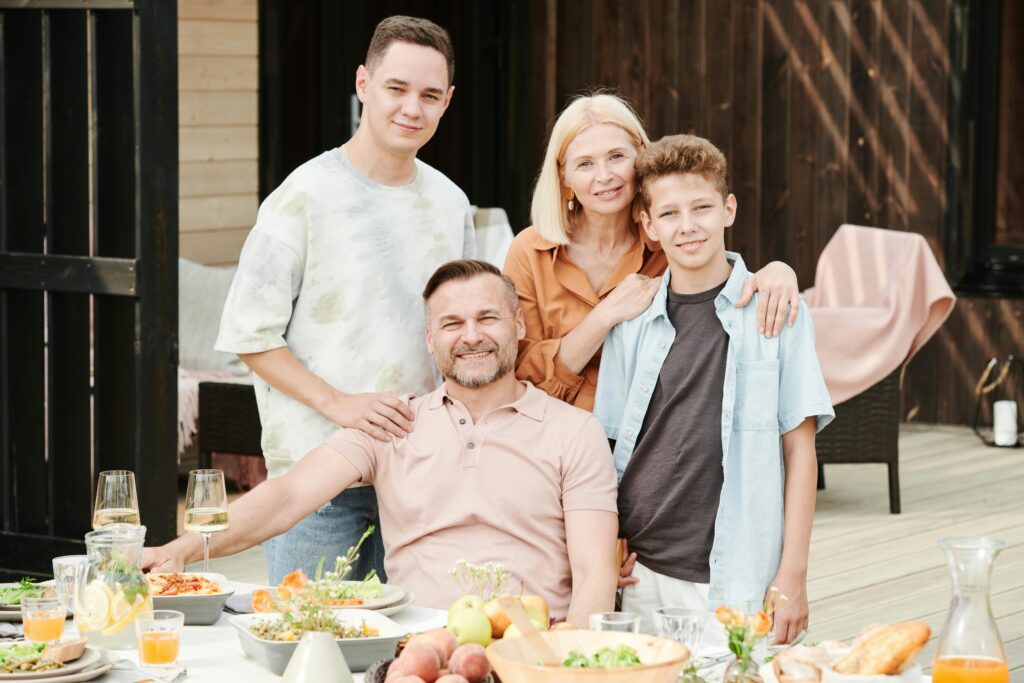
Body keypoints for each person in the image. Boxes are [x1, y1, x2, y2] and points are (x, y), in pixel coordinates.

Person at [147, 260, 620, 626]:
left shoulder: (574, 431)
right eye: (452, 324)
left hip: (529, 648)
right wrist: (184, 549)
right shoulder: (392, 423)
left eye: (488, 318)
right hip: (413, 652)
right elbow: (286, 497)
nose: (472, 336)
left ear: (518, 325)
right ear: (430, 339)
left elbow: (594, 572)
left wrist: (566, 662)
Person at [214, 16, 475, 585]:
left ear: (448, 101)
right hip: (314, 482)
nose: (412, 108)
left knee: (417, 637)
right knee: (313, 635)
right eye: (396, 88)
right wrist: (339, 404)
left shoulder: (451, 203)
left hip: (416, 476)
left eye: (430, 95)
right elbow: (250, 335)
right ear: (363, 84)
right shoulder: (302, 197)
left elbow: (462, 335)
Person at [593, 134, 834, 643]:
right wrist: (604, 545)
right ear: (649, 225)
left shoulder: (777, 311)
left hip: (740, 575)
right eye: (670, 213)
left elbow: (800, 450)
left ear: (728, 209)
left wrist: (793, 573)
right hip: (643, 570)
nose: (687, 226)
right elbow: (607, 445)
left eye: (701, 207)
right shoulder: (631, 321)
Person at [503, 93, 801, 414]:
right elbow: (518, 371)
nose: (604, 176)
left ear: (640, 157)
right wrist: (604, 317)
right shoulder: (529, 251)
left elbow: (721, 293)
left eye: (616, 156)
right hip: (553, 427)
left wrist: (777, 271)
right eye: (585, 164)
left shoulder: (667, 239)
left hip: (651, 428)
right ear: (564, 177)